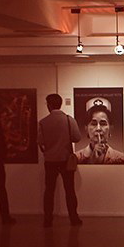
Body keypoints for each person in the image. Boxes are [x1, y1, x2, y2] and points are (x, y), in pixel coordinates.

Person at [38, 93, 83, 227]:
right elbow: (77, 138)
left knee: (49, 190)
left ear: (49, 105)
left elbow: (40, 141)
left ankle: (48, 219)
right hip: (65, 159)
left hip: (50, 160)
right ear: (60, 104)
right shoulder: (69, 120)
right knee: (69, 190)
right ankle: (74, 218)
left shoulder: (43, 122)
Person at [75, 98, 124, 164]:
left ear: (110, 129)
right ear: (86, 128)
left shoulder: (121, 159)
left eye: (103, 124)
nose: (98, 128)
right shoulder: (77, 158)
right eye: (94, 124)